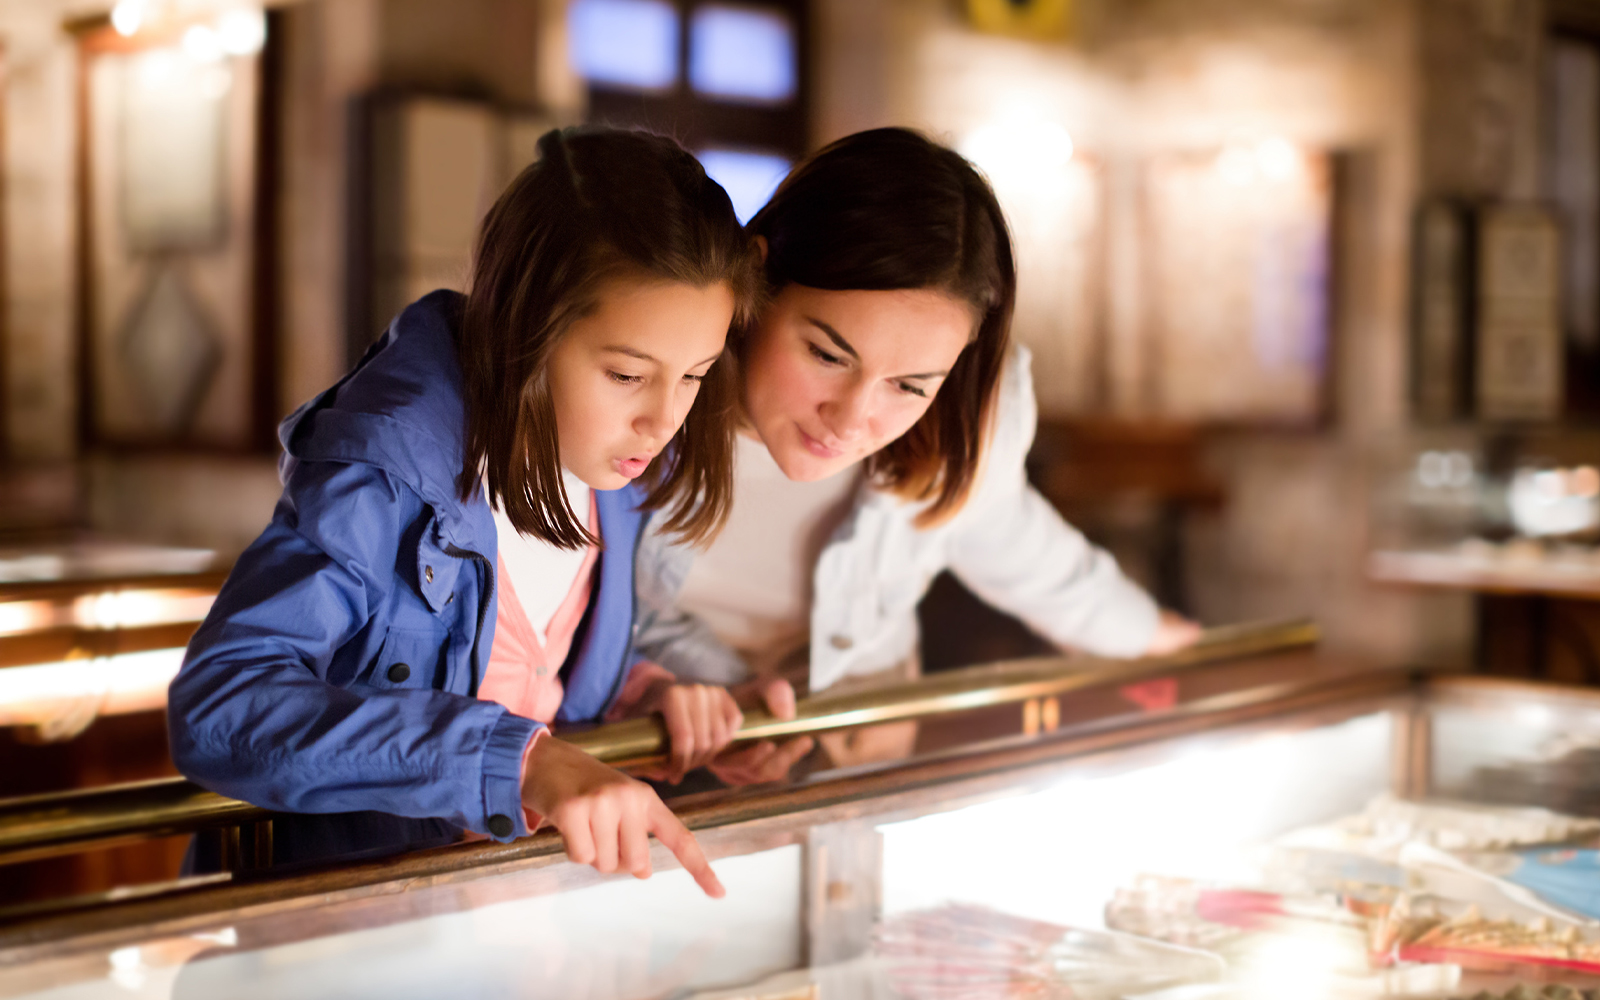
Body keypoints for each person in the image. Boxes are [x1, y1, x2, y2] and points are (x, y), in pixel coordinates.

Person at [168, 127, 770, 895]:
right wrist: (517, 762)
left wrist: (649, 695)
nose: (664, 420)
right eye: (626, 374)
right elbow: (223, 705)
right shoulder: (386, 478)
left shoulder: (615, 477)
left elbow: (531, 676)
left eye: (694, 375)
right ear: (526, 326)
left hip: (501, 920)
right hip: (342, 932)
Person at [634, 128, 1202, 777]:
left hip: (855, 762)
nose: (851, 418)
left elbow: (1016, 544)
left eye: (909, 386)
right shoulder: (648, 387)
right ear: (758, 278)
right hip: (653, 751)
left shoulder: (964, 420)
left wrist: (1157, 638)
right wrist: (711, 697)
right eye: (826, 354)